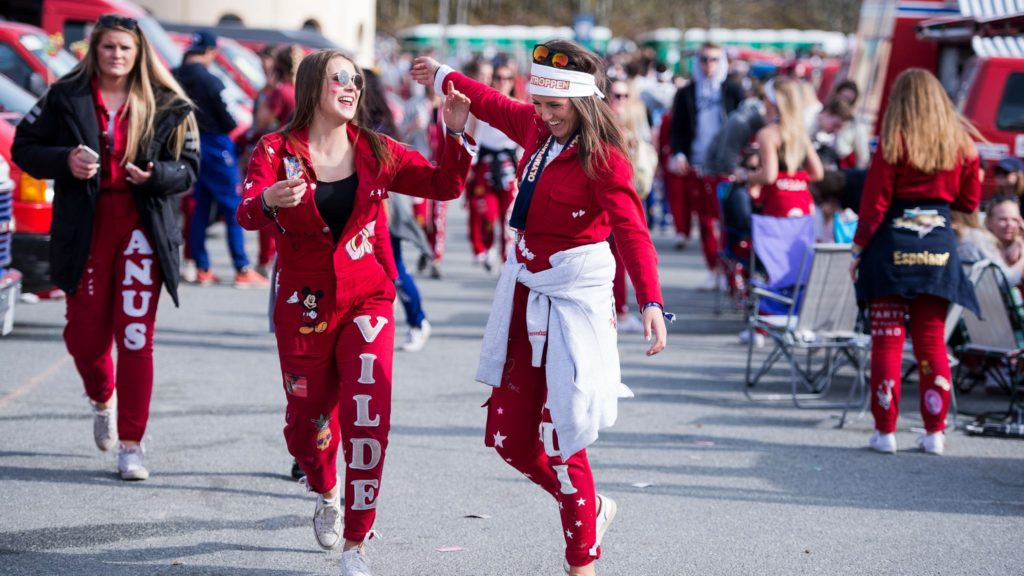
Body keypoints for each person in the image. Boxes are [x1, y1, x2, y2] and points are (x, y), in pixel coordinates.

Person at [412, 39, 669, 576]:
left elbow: (632, 231)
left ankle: (582, 561)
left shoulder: (605, 158)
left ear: (584, 102)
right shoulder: (533, 126)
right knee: (507, 437)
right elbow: (486, 100)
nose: (545, 115)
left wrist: (649, 299)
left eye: (557, 106)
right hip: (525, 292)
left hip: (572, 303)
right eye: (540, 104)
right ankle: (589, 509)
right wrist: (441, 75)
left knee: (563, 437)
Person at [238, 49, 473, 575]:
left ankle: (356, 543)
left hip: (368, 299)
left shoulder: (376, 149)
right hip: (304, 305)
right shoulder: (275, 149)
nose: (350, 86)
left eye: (355, 79)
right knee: (307, 424)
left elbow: (445, 185)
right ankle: (326, 491)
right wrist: (272, 199)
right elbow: (246, 211)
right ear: (310, 87)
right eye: (338, 78)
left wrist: (454, 134)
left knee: (369, 416)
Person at [12, 13, 200, 480]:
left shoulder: (167, 103)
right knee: (84, 335)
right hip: (86, 228)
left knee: (136, 336)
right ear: (94, 51)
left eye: (125, 48)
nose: (116, 55)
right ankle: (102, 398)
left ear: (139, 55)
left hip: (142, 229)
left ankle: (132, 444)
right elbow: (23, 148)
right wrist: (65, 160)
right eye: (108, 47)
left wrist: (156, 175)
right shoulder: (66, 95)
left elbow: (189, 169)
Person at [850, 68, 982, 456]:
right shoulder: (962, 145)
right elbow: (970, 203)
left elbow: (873, 205)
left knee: (887, 342)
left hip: (890, 248)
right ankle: (934, 433)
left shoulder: (894, 141)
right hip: (938, 247)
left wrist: (858, 250)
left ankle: (885, 432)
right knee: (930, 340)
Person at [173, 31, 266, 288]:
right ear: (211, 52)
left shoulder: (172, 76)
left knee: (199, 206)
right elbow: (230, 118)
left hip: (187, 144)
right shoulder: (211, 80)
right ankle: (242, 268)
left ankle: (201, 266)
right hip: (215, 145)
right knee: (232, 206)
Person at [668, 42, 744, 290]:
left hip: (727, 166)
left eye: (713, 59)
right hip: (699, 164)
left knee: (729, 220)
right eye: (703, 59)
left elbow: (745, 125)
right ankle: (714, 269)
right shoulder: (687, 93)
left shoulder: (732, 90)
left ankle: (732, 272)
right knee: (705, 221)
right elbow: (677, 129)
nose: (708, 64)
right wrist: (679, 153)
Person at [465, 59, 521, 271]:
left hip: (509, 165)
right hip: (486, 163)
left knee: (509, 218)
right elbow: (471, 135)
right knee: (486, 212)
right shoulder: (482, 103)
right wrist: (469, 165)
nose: (503, 82)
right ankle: (485, 248)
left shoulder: (519, 105)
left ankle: (507, 262)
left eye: (508, 78)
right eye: (498, 77)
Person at [742, 78, 824, 218]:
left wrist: (745, 176)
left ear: (772, 102)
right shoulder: (799, 132)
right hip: (803, 204)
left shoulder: (768, 134)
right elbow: (817, 173)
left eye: (765, 97)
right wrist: (794, 180)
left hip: (778, 205)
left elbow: (769, 176)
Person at [983, 196, 1024, 284]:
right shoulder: (984, 247)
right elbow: (1003, 282)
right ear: (989, 222)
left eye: (1014, 219)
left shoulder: (1020, 245)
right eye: (1003, 219)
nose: (1009, 224)